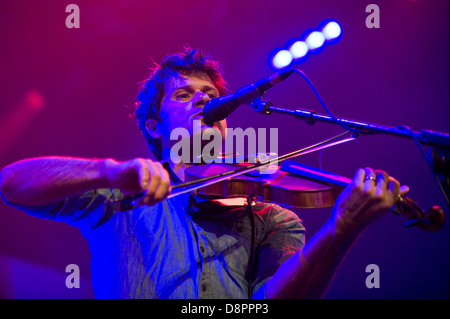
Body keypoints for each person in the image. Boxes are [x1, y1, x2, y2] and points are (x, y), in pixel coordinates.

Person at [0, 47, 408, 299]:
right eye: (184, 95)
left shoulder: (272, 214)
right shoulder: (120, 193)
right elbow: (11, 184)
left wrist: (340, 231)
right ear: (154, 127)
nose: (203, 101)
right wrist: (108, 172)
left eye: (211, 96)